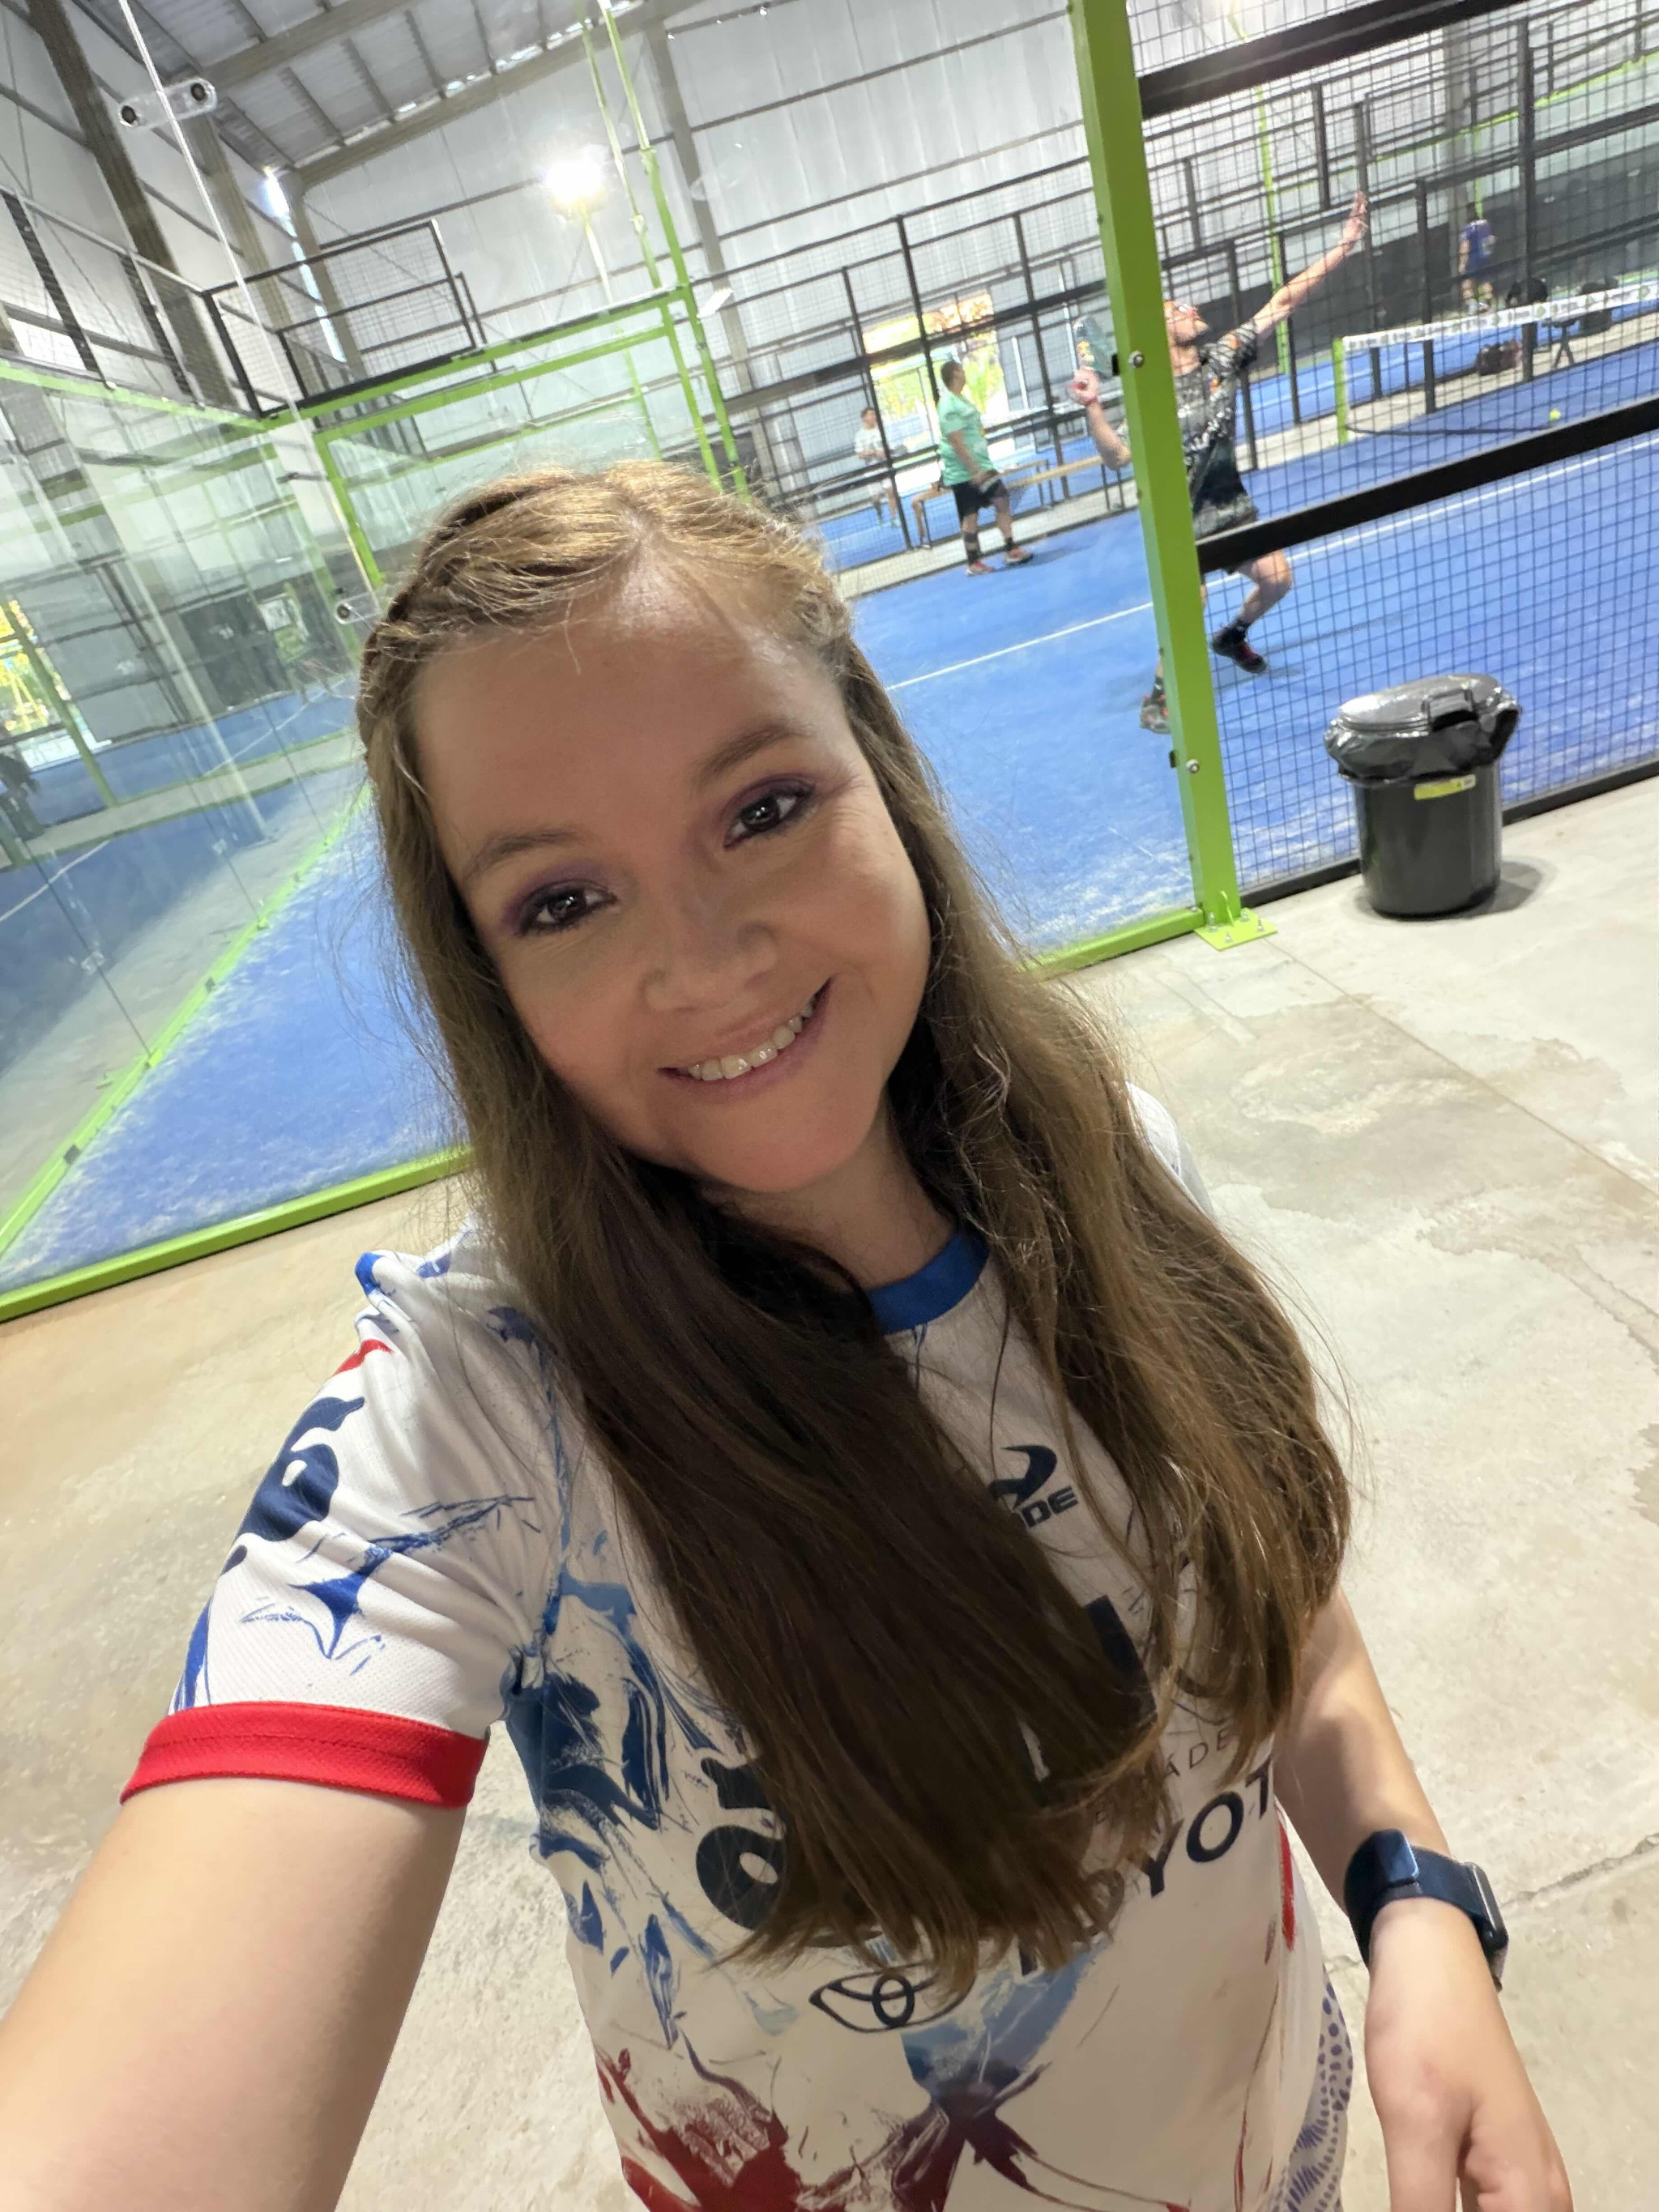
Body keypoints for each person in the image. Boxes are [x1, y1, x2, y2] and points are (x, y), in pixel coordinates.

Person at [0, 464, 1571, 2212]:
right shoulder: (477, 1431)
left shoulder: (1106, 1167)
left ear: (877, 771)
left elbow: (1283, 1630)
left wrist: (1414, 1902)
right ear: (487, 974)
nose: (706, 956)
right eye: (561, 901)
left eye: (758, 809)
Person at [1073, 190, 1368, 732]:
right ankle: (1158, 698)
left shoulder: (1223, 358)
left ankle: (1233, 636)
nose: (1192, 310)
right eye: (1178, 309)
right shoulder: (1149, 392)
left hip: (1230, 509)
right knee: (1192, 600)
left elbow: (1284, 300)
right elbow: (1117, 457)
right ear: (1160, 328)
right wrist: (1093, 406)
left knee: (1278, 579)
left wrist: (1343, 246)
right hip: (1180, 525)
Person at [936, 356, 1032, 573]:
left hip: (981, 464)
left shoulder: (962, 400)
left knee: (1001, 499)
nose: (965, 373)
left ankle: (1011, 548)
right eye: (961, 369)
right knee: (971, 514)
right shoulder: (948, 405)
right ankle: (974, 563)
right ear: (956, 373)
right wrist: (974, 471)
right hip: (964, 472)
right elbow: (956, 441)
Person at [854, 404, 897, 525]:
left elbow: (890, 448)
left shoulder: (882, 430)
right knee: (876, 496)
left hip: (884, 466)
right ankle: (879, 514)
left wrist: (885, 452)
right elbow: (860, 454)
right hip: (871, 469)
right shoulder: (860, 435)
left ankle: (894, 518)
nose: (874, 417)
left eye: (874, 414)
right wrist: (872, 452)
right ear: (864, 418)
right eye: (871, 414)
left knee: (890, 492)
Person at [1460, 203, 1497, 306]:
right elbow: (1492, 239)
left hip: (1472, 259)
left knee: (1467, 283)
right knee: (1486, 281)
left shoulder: (1467, 229)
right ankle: (1489, 304)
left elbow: (1465, 246)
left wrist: (1462, 263)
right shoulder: (1486, 224)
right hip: (1485, 257)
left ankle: (1472, 306)